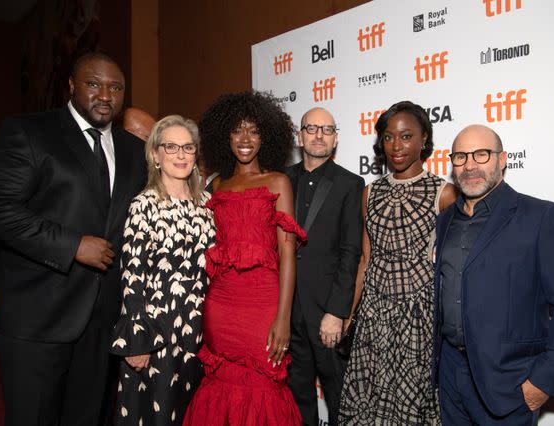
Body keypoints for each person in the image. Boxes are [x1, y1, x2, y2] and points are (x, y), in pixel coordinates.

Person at [0, 52, 147, 425]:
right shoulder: (29, 131)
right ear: (70, 86)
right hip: (38, 317)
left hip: (102, 322)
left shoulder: (135, 150)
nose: (105, 95)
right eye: (93, 84)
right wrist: (71, 245)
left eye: (115, 87)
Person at [433, 124, 554, 425]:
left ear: (503, 159)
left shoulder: (541, 217)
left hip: (508, 383)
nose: (470, 165)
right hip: (451, 374)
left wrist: (542, 383)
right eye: (461, 157)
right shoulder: (445, 220)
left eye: (482, 154)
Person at [183, 91, 305, 425]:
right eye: (237, 130)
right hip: (221, 305)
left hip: (263, 303)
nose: (245, 139)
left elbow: (288, 256)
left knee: (265, 384)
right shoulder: (217, 186)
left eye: (253, 130)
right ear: (226, 136)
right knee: (220, 383)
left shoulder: (278, 182)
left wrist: (283, 318)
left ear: (266, 136)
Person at [339, 101, 457, 425]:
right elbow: (366, 258)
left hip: (418, 315)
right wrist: (351, 314)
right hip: (374, 313)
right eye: (388, 137)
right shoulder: (370, 192)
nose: (396, 146)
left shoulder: (444, 193)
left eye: (406, 137)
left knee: (410, 403)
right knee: (368, 400)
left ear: (424, 139)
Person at [110, 115, 215, 425]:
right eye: (171, 147)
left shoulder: (207, 204)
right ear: (155, 154)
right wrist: (137, 338)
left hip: (200, 332)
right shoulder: (144, 204)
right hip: (157, 332)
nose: (181, 155)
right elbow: (131, 274)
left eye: (188, 147)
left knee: (192, 410)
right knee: (157, 411)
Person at [285, 107, 363, 425]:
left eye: (327, 129)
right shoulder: (281, 180)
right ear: (299, 135)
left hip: (326, 313)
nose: (319, 135)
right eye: (312, 128)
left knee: (338, 395)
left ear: (336, 139)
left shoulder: (349, 183)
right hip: (289, 311)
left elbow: (351, 252)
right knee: (296, 395)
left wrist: (337, 312)